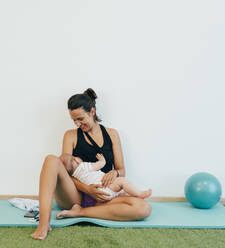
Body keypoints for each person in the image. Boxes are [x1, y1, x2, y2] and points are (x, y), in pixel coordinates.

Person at [31, 88, 152, 240]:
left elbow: (122, 170)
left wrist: (115, 173)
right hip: (75, 196)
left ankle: (81, 213)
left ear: (92, 112)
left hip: (104, 196)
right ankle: (43, 224)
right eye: (74, 120)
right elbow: (66, 170)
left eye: (80, 119)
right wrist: (87, 189)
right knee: (51, 160)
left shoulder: (112, 134)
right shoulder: (71, 135)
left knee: (144, 208)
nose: (77, 123)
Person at [58, 153, 152, 204]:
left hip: (100, 195)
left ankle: (134, 197)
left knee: (121, 194)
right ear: (75, 161)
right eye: (74, 157)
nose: (76, 157)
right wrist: (102, 160)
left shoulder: (75, 175)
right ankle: (140, 194)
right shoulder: (83, 166)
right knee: (122, 181)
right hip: (106, 186)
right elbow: (99, 165)